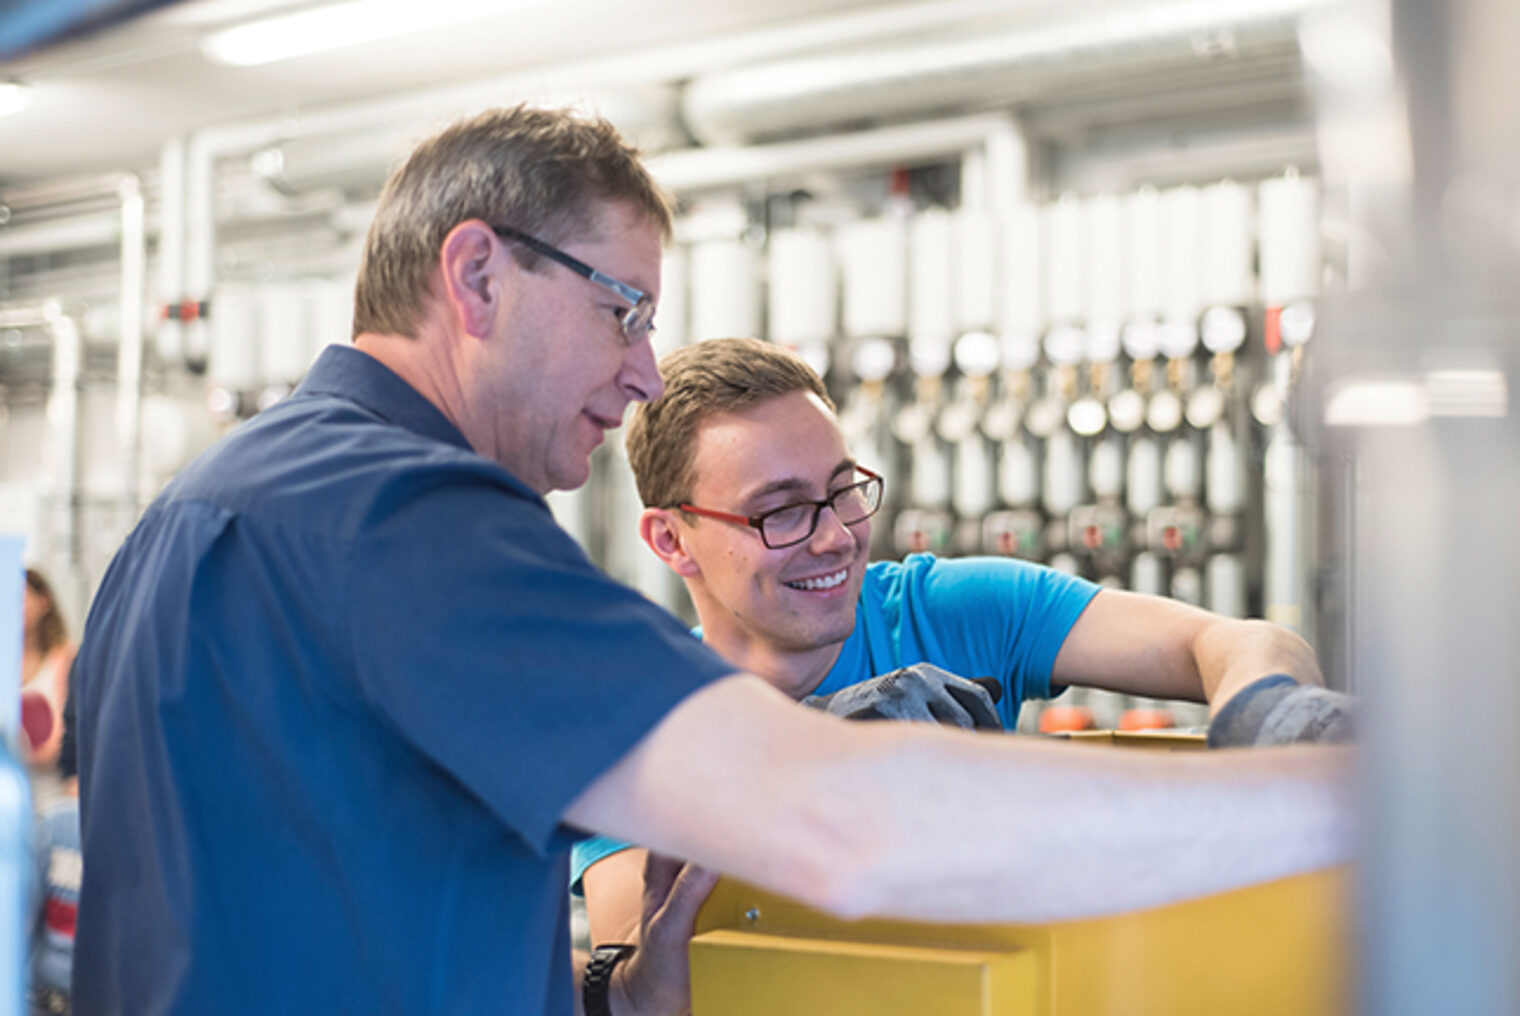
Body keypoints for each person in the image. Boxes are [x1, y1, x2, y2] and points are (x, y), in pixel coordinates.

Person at [72, 105, 1351, 1016]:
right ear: (476, 275)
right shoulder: (405, 515)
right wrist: (1372, 802)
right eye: (619, 308)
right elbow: (839, 824)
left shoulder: (193, 521)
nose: (638, 367)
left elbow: (317, 905)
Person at [577, 335, 1349, 946]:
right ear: (672, 540)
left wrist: (1266, 708)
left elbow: (1229, 641)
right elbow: (638, 969)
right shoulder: (640, 724)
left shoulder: (952, 610)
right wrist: (822, 753)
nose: (836, 537)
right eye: (780, 511)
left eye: (844, 490)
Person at [20, 569, 73, 771]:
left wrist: (16, 757)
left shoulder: (64, 659)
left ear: (44, 601)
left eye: (20, 598)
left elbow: (61, 739)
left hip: (50, 788)